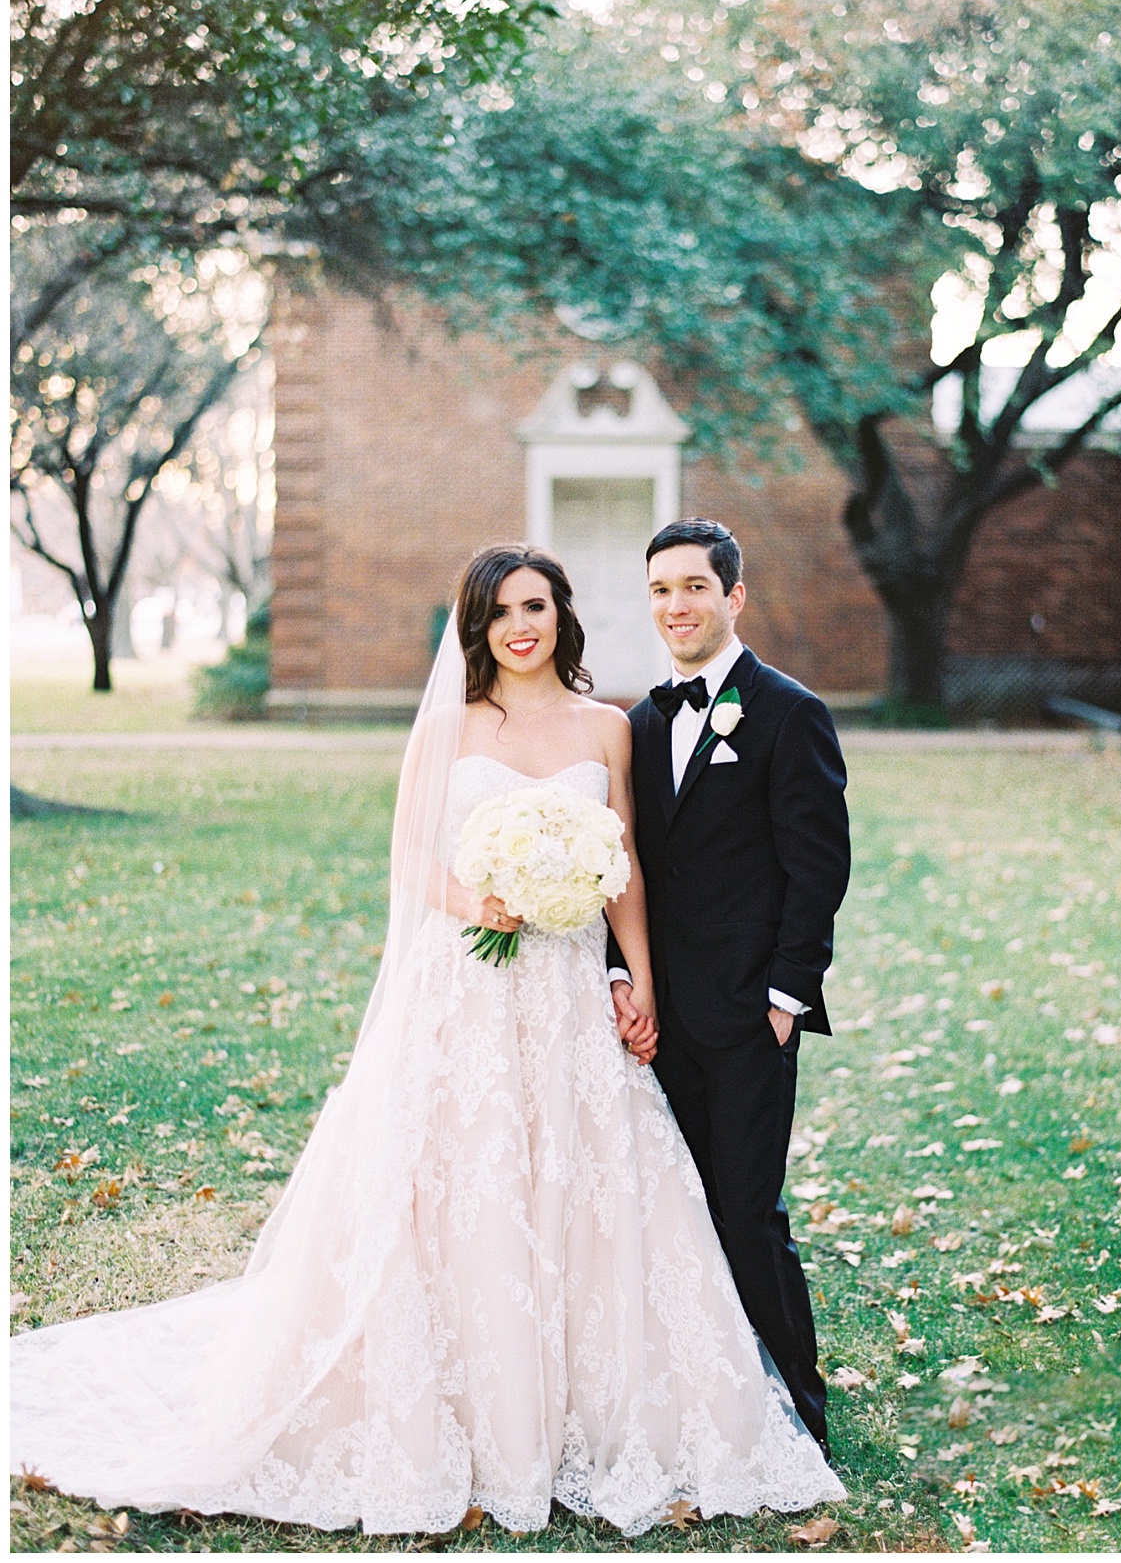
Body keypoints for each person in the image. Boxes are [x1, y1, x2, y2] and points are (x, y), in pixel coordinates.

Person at [10, 543, 844, 1538]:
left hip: (572, 997)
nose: (519, 627)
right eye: (500, 613)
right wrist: (483, 898)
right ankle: (456, 1405)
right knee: (459, 1191)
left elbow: (625, 872)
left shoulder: (607, 728)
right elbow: (411, 858)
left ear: (561, 615)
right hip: (468, 989)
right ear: (478, 628)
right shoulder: (448, 728)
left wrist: (639, 985)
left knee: (585, 1193)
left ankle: (601, 1403)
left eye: (534, 606)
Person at [608, 519, 851, 1462]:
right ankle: (696, 1402)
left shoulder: (790, 714)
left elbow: (817, 868)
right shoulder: (638, 722)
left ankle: (798, 1405)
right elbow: (627, 869)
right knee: (672, 1215)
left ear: (733, 597)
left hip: (752, 1018)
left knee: (747, 1215)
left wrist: (788, 996)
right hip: (657, 1021)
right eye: (663, 590)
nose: (678, 606)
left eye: (696, 588)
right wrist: (625, 979)